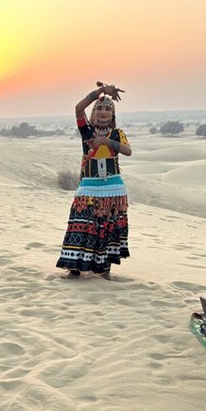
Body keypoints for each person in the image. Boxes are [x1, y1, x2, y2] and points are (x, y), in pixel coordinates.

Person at [56, 82, 132, 279]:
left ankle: (104, 268)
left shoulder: (117, 133)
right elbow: (78, 108)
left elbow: (128, 151)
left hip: (113, 189)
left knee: (108, 227)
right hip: (89, 187)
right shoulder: (86, 132)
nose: (104, 112)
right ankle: (75, 267)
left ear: (113, 113)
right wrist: (100, 92)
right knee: (82, 224)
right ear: (94, 113)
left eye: (108, 108)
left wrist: (106, 141)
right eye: (99, 108)